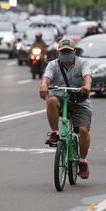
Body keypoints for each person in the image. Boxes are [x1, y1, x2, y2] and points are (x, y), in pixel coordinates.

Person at [39, 38, 92, 179]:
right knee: (51, 101)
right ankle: (55, 133)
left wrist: (87, 86)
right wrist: (44, 86)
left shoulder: (82, 63)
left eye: (69, 51)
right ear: (59, 53)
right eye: (63, 51)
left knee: (83, 130)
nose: (66, 54)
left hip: (80, 101)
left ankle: (83, 161)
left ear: (74, 52)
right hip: (61, 99)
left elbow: (87, 77)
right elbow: (46, 78)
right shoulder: (53, 65)